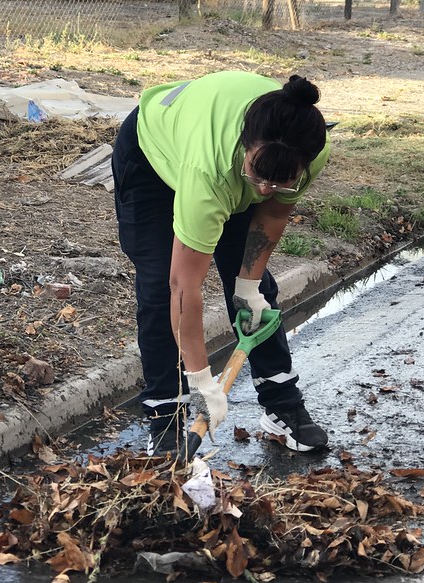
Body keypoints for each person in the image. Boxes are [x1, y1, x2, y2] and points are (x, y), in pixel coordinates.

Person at [111, 71, 330, 456]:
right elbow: (184, 287)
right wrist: (201, 382)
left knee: (255, 288)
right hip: (153, 156)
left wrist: (247, 286)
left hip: (226, 161)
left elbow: (273, 216)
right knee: (161, 287)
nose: (265, 191)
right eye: (259, 177)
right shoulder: (209, 171)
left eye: (280, 182)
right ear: (246, 147)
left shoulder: (308, 149)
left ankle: (281, 402)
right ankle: (166, 417)